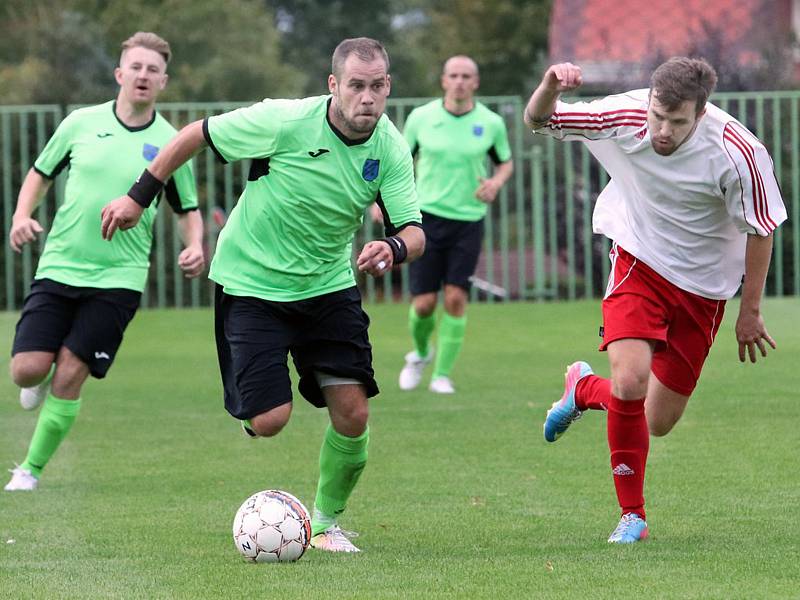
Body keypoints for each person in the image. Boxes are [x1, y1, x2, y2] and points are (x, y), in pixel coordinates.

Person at [99, 37, 424, 553]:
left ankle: (324, 525)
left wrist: (391, 247)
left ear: (389, 86)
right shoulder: (284, 120)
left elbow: (413, 229)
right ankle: (257, 406)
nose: (368, 97)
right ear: (334, 85)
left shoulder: (390, 147)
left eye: (378, 85)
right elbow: (194, 134)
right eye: (357, 86)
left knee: (354, 413)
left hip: (328, 286)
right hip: (252, 283)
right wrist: (139, 197)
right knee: (269, 421)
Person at [524, 58, 787, 543]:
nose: (663, 130)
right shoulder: (622, 116)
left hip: (704, 289)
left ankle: (582, 390)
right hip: (638, 261)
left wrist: (750, 312)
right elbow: (540, 120)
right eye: (657, 115)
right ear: (649, 101)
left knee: (656, 420)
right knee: (630, 380)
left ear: (701, 114)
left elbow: (762, 230)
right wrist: (549, 86)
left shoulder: (738, 152)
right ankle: (633, 516)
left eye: (678, 121)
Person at [5, 32, 205, 492]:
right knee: (26, 370)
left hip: (120, 278)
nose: (143, 75)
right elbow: (40, 173)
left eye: (153, 70)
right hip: (60, 265)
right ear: (119, 74)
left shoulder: (171, 142)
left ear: (163, 82)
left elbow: (187, 209)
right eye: (135, 67)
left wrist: (195, 244)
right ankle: (40, 374)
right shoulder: (80, 123)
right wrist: (21, 216)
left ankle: (29, 471)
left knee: (72, 373)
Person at [397, 55, 513, 394]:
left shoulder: (490, 123)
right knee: (423, 304)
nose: (460, 81)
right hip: (425, 219)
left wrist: (495, 183)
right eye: (453, 75)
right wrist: (383, 203)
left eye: (466, 76)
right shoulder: (421, 118)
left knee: (456, 298)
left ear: (475, 82)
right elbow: (401, 163)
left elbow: (505, 164)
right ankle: (419, 354)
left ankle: (442, 375)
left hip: (468, 220)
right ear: (444, 81)